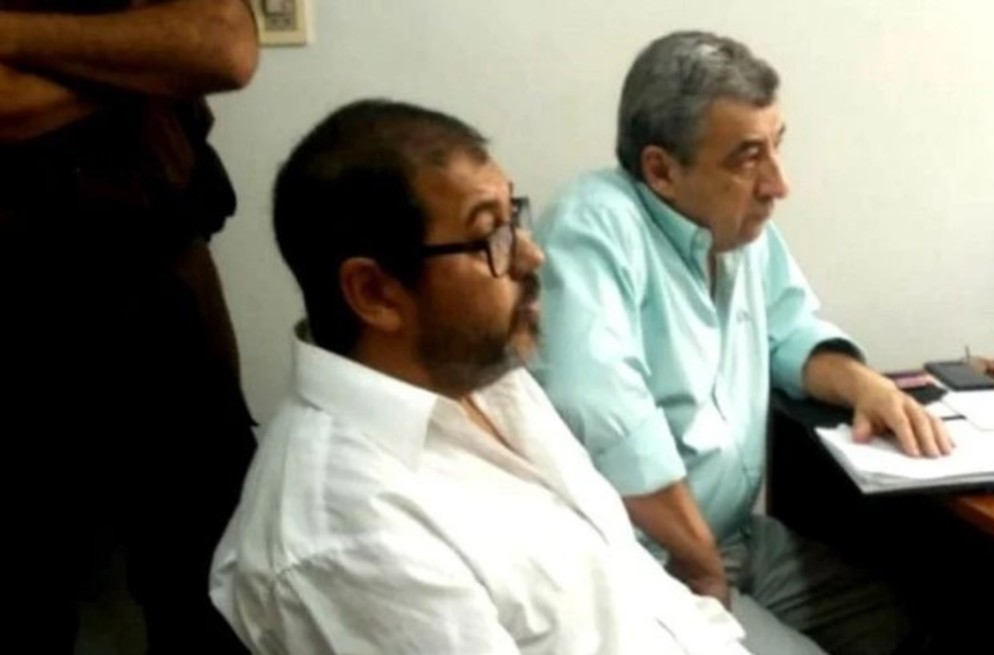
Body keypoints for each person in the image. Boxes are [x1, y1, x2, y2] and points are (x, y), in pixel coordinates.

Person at [209, 99, 751, 654]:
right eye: (489, 233)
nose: (531, 255)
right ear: (376, 293)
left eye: (513, 219)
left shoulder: (481, 377)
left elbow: (626, 586)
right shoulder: (352, 537)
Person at [529, 31, 954, 655]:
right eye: (748, 158)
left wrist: (868, 388)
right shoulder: (593, 223)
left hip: (734, 539)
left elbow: (792, 331)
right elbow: (606, 416)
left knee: (931, 615)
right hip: (647, 561)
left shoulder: (736, 230)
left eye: (777, 146)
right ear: (661, 170)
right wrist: (700, 562)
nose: (778, 184)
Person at [0, 1, 258, 652]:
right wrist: (144, 71)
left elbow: (221, 47)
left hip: (164, 293)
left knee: (212, 591)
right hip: (12, 321)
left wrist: (12, 35)